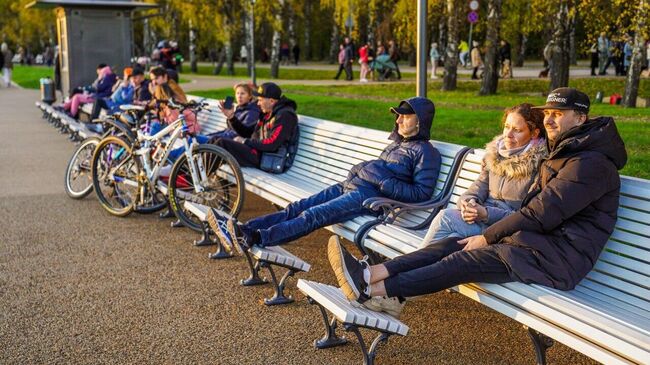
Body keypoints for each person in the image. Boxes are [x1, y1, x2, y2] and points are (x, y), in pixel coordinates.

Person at [327, 87, 627, 319]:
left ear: (581, 118)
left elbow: (539, 213)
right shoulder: (568, 153)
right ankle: (369, 275)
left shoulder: (591, 164)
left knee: (463, 258)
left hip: (559, 260)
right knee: (452, 245)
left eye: (558, 114)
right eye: (547, 112)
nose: (549, 118)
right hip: (535, 245)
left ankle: (373, 293)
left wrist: (486, 236)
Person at [208, 96, 442, 255]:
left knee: (311, 215)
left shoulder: (426, 153)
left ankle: (257, 238)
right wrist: (362, 170)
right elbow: (379, 170)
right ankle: (243, 229)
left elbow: (420, 194)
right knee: (296, 207)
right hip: (351, 186)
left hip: (369, 199)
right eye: (398, 116)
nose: (398, 120)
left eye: (405, 116)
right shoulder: (397, 144)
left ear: (420, 121)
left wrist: (380, 179)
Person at [421, 104, 547, 247]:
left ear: (534, 133)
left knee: (445, 218)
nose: (508, 134)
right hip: (479, 220)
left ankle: (404, 265)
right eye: (507, 127)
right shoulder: (495, 155)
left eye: (517, 130)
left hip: (504, 230)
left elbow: (526, 217)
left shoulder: (539, 165)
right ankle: (407, 267)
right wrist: (468, 203)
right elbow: (476, 189)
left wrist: (486, 214)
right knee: (451, 240)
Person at [209, 82, 298, 171]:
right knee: (214, 140)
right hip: (256, 151)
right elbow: (248, 132)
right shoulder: (268, 113)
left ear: (271, 101)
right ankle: (200, 176)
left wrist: (245, 141)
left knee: (221, 143)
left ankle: (201, 179)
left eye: (260, 100)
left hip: (267, 158)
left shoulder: (285, 116)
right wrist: (231, 117)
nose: (258, 103)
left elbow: (272, 144)